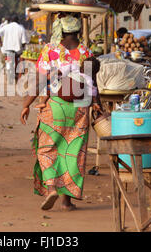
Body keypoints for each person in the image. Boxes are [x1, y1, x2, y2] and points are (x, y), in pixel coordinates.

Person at [20, 14, 100, 212]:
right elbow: (93, 83)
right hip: (80, 107)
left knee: (47, 148)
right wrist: (98, 104)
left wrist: (26, 104)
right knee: (72, 152)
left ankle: (51, 189)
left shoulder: (51, 50)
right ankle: (66, 201)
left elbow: (40, 81)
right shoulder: (85, 51)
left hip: (56, 104)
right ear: (77, 32)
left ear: (61, 32)